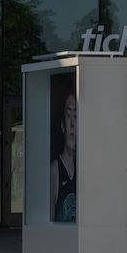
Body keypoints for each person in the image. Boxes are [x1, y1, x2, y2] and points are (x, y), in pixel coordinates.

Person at [50, 88, 77, 224]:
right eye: (68, 115)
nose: (72, 124)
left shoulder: (82, 169)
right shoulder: (55, 170)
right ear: (62, 125)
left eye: (76, 117)